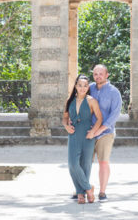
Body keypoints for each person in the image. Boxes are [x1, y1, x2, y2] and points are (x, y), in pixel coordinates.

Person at [62, 74, 102, 204]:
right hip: (73, 135)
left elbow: (99, 119)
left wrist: (93, 132)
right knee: (73, 164)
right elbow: (64, 118)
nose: (83, 88)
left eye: (85, 85)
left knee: (85, 165)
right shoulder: (69, 101)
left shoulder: (91, 101)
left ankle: (80, 194)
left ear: (87, 87)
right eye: (80, 85)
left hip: (87, 136)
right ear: (75, 86)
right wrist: (66, 126)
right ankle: (88, 188)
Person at [89, 64, 122, 201]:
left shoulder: (114, 92)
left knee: (103, 162)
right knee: (84, 162)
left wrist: (100, 130)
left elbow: (115, 114)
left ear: (107, 75)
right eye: (95, 74)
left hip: (105, 133)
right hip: (89, 131)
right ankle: (82, 188)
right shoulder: (89, 88)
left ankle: (102, 192)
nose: (98, 76)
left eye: (101, 73)